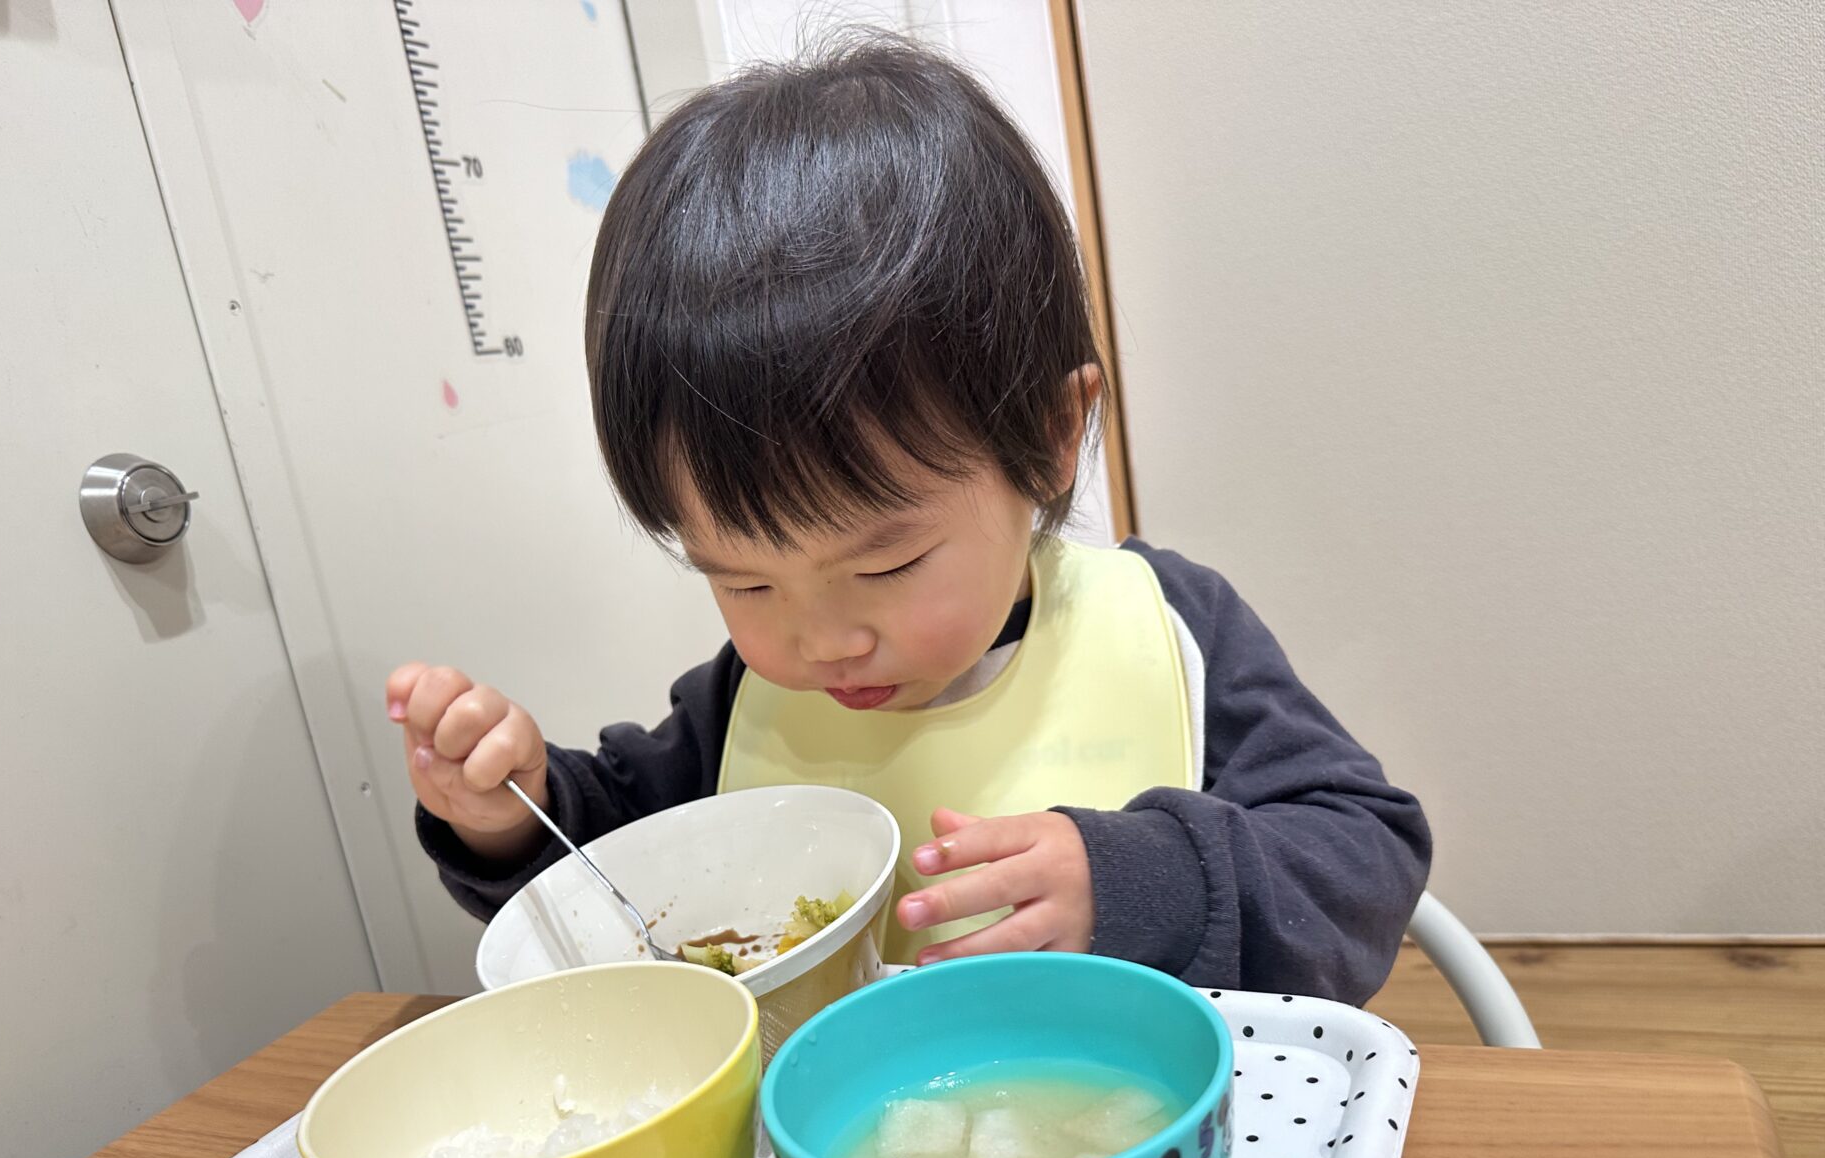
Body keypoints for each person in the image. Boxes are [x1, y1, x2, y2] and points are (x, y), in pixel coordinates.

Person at [387, 36, 1429, 1002]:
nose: (820, 640)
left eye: (884, 566)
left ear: (1052, 435)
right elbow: (617, 862)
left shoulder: (1165, 630)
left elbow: (1365, 855)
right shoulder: (748, 700)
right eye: (744, 581)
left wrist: (1140, 882)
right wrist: (511, 814)